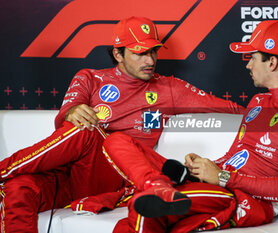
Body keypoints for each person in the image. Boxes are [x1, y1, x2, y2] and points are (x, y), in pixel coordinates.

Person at [0, 16, 242, 233]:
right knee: (19, 187)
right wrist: (72, 111)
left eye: (154, 51)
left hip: (114, 176)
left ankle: (3, 168)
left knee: (87, 132)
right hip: (68, 176)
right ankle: (7, 174)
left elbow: (229, 108)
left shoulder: (170, 88)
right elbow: (65, 123)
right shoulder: (89, 78)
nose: (150, 60)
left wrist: (276, 113)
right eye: (140, 53)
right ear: (118, 54)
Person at [103, 19, 278, 232]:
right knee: (116, 141)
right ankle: (157, 184)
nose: (248, 65)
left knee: (141, 209)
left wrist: (222, 177)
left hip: (241, 198)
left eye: (252, 57)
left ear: (272, 62)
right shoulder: (258, 101)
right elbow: (237, 156)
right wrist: (204, 168)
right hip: (219, 184)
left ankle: (157, 189)